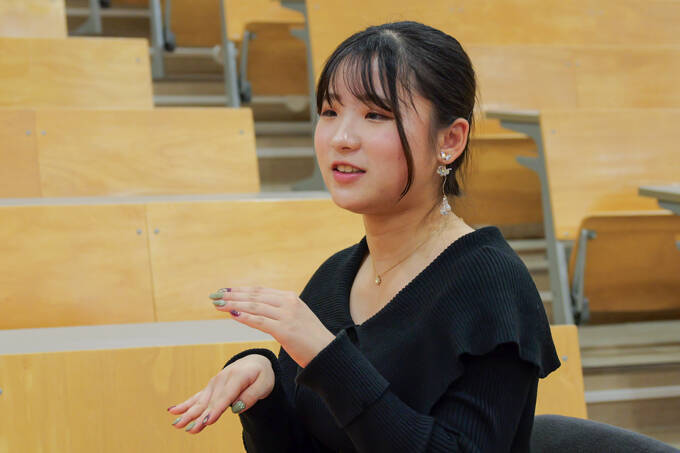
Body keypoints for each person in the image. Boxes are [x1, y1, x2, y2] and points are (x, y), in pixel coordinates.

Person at [167, 21, 560, 452]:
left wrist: (327, 358)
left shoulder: (492, 285)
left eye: (376, 115)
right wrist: (266, 394)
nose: (341, 138)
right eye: (330, 112)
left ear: (449, 139)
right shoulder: (333, 278)